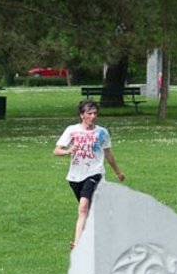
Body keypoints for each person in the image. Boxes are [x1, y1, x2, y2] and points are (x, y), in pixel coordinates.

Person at [53, 100, 126, 248]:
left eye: (95, 113)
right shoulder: (72, 130)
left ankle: (78, 243)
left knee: (83, 207)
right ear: (82, 115)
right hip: (75, 176)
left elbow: (108, 154)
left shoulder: (102, 132)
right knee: (93, 210)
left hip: (95, 173)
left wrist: (118, 172)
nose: (93, 116)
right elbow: (56, 150)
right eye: (89, 113)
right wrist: (68, 151)